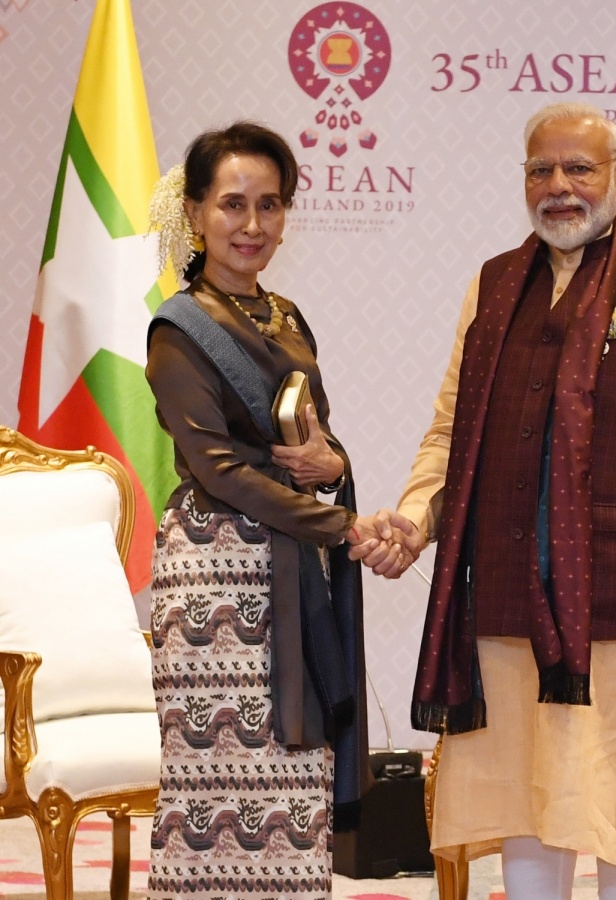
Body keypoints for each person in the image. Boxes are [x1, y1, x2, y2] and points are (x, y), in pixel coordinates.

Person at [353, 102, 616, 899]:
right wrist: (415, 521)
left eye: (580, 169)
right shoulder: (495, 284)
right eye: (541, 169)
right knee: (527, 803)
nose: (559, 186)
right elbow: (449, 432)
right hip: (501, 600)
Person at [144, 121, 397, 900]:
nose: (251, 226)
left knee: (293, 791)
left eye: (269, 205)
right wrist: (341, 525)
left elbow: (310, 445)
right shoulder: (177, 329)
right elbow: (218, 469)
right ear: (193, 213)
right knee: (218, 791)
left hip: (290, 564)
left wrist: (338, 466)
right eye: (231, 205)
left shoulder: (285, 314)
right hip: (217, 586)